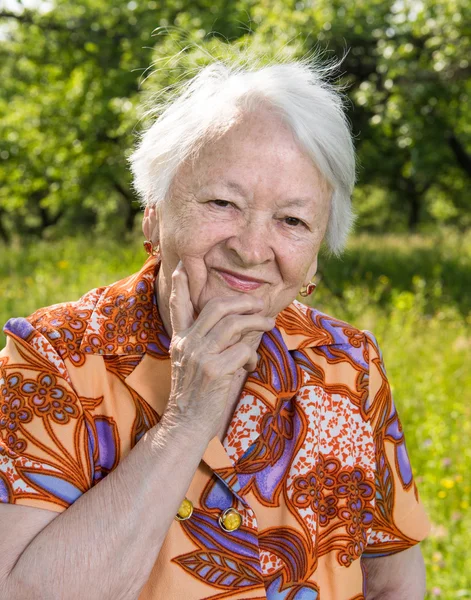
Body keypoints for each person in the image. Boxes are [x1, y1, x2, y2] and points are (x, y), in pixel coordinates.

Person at [0, 58, 430, 600]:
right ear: (153, 213)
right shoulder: (54, 358)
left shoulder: (348, 362)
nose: (251, 248)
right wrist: (187, 417)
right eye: (222, 203)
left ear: (316, 256)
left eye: (292, 221)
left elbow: (391, 579)